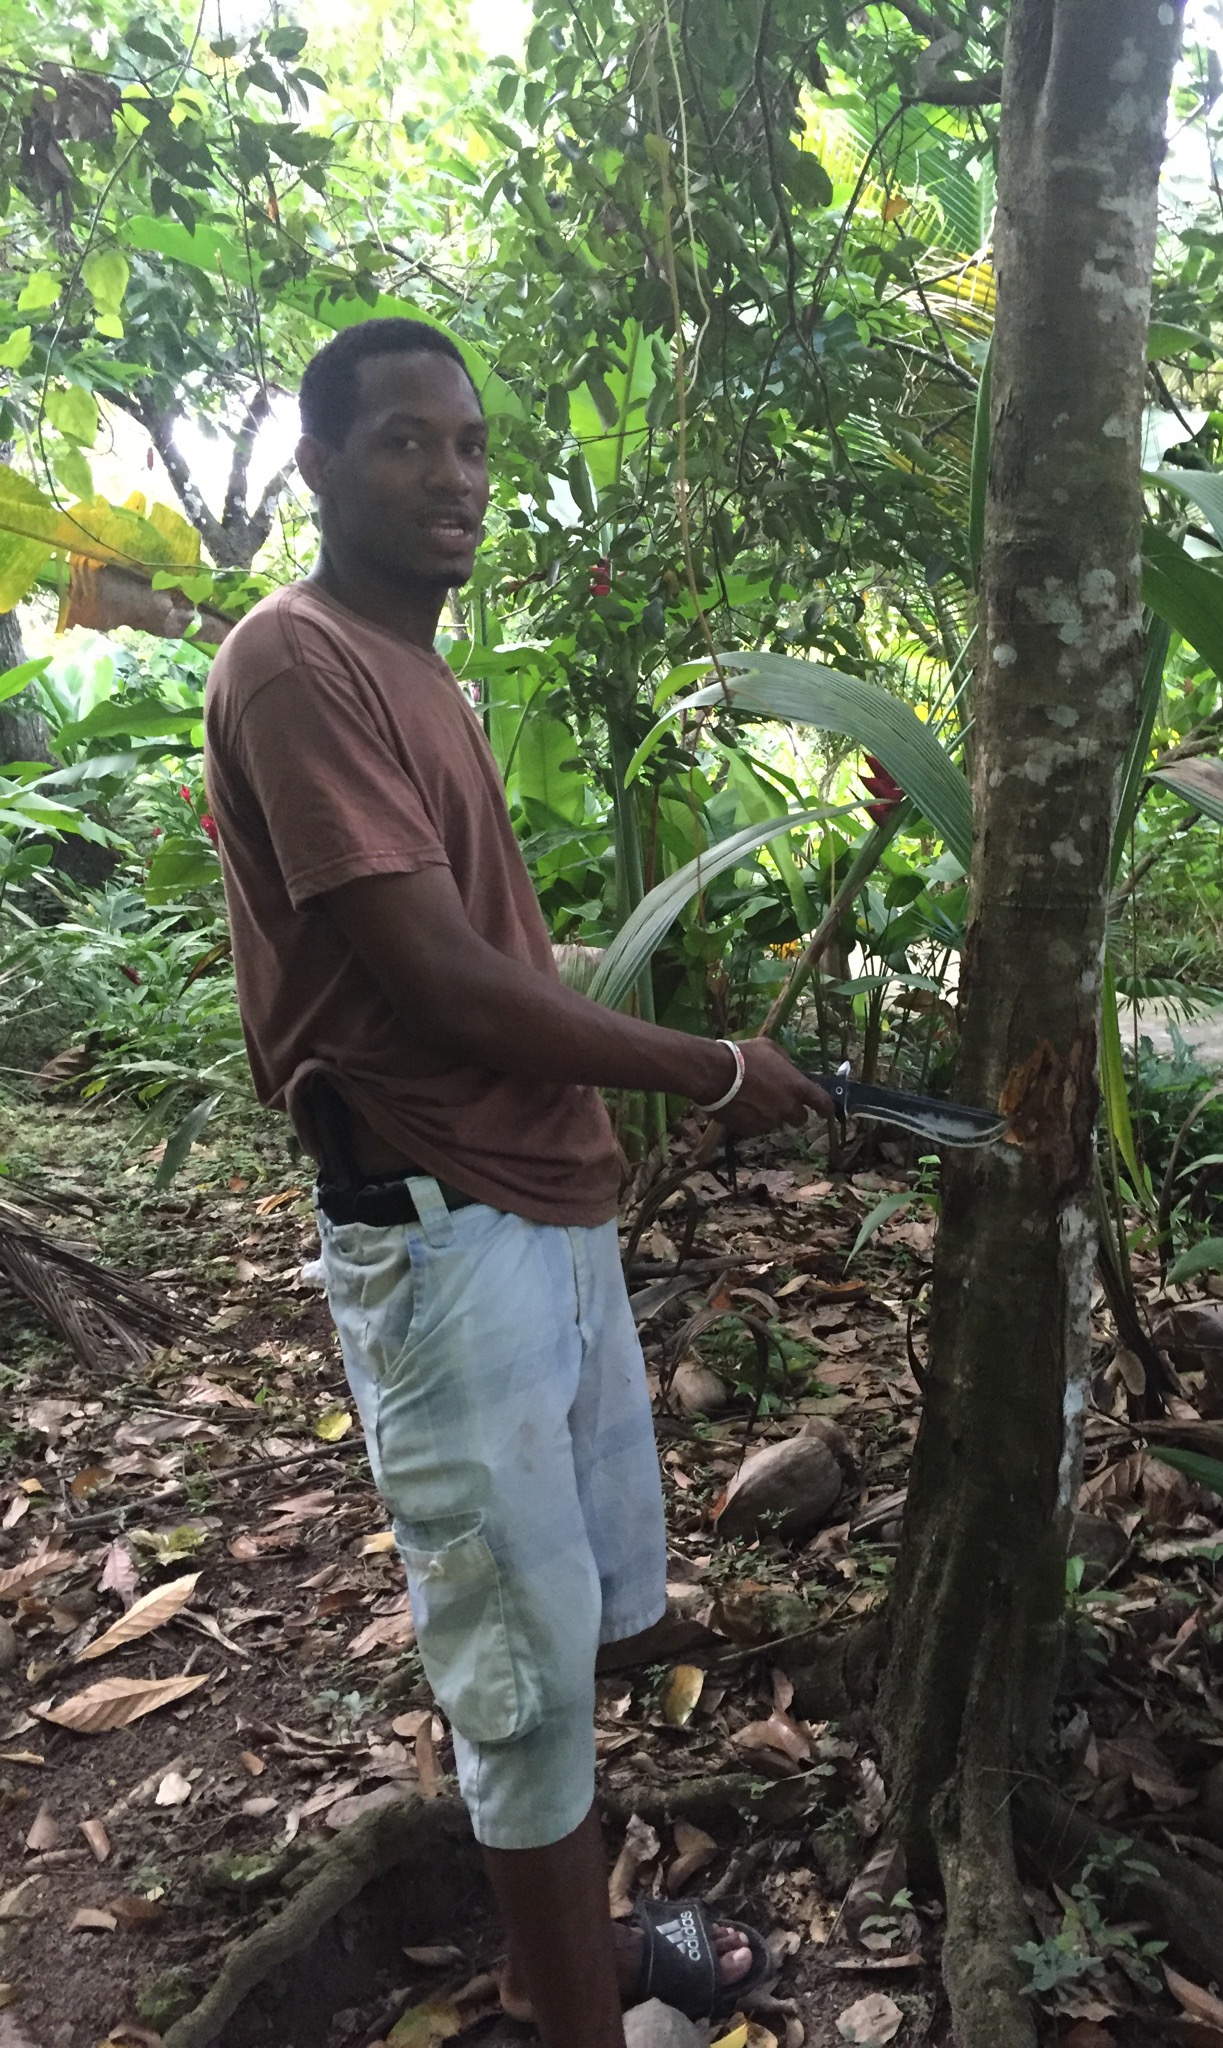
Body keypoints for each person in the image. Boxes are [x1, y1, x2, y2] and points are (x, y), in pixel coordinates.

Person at [203, 316, 830, 2048]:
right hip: (439, 1233)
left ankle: (582, 1954)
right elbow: (439, 986)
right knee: (525, 1678)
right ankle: (579, 2018)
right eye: (407, 442)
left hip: (537, 1209)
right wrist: (710, 1069)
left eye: (472, 444)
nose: (453, 477)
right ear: (318, 464)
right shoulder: (293, 658)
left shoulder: (416, 672)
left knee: (586, 1625)